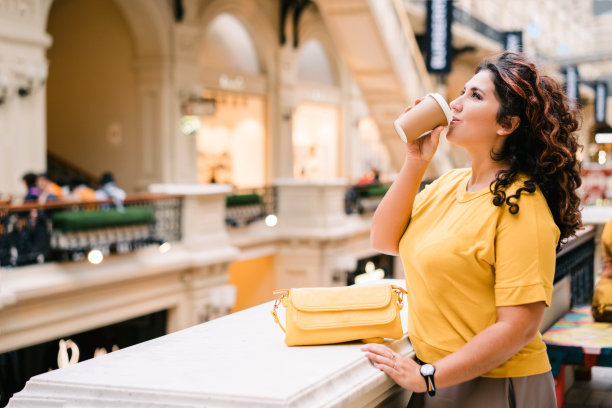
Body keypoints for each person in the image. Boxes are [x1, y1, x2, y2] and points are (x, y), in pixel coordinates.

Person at [362, 52, 582, 407]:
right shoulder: (449, 184)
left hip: (496, 385)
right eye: (461, 92)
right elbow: (384, 239)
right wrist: (415, 161)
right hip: (439, 379)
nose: (455, 104)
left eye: (474, 96)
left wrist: (427, 377)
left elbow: (518, 327)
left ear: (507, 124)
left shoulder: (521, 204)